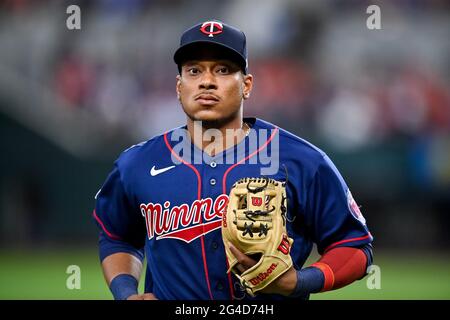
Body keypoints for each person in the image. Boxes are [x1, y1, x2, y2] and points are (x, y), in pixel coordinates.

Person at [93, 20, 373, 300]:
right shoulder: (137, 163)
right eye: (194, 70)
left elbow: (354, 245)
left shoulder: (302, 161)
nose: (206, 81)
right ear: (179, 86)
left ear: (247, 85)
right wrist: (126, 293)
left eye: (223, 70)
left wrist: (300, 281)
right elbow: (117, 234)